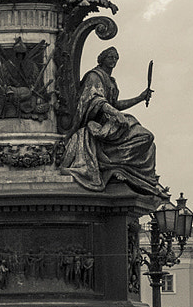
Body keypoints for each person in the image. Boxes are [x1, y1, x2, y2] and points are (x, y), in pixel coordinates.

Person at [62, 47, 160, 196]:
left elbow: (115, 105)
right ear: (102, 59)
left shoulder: (111, 81)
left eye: (116, 58)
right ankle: (112, 164)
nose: (113, 61)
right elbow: (95, 100)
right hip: (98, 125)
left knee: (149, 143)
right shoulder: (94, 76)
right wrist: (116, 114)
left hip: (110, 123)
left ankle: (118, 165)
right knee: (145, 137)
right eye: (110, 57)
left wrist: (139, 98)